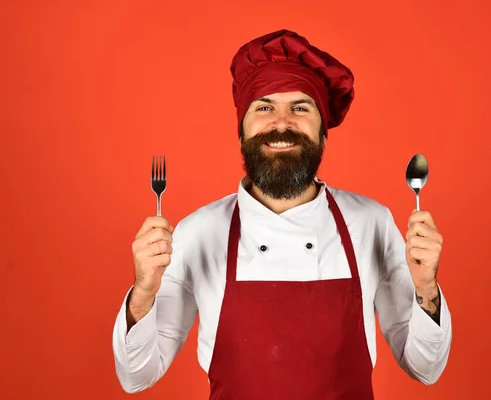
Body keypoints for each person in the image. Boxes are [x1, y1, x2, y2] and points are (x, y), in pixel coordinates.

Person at [112, 29, 452, 399]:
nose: (282, 123)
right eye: (264, 107)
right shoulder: (198, 232)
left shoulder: (371, 223)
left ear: (324, 132)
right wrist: (143, 293)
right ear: (241, 131)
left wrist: (426, 290)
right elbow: (137, 376)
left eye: (301, 108)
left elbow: (425, 367)